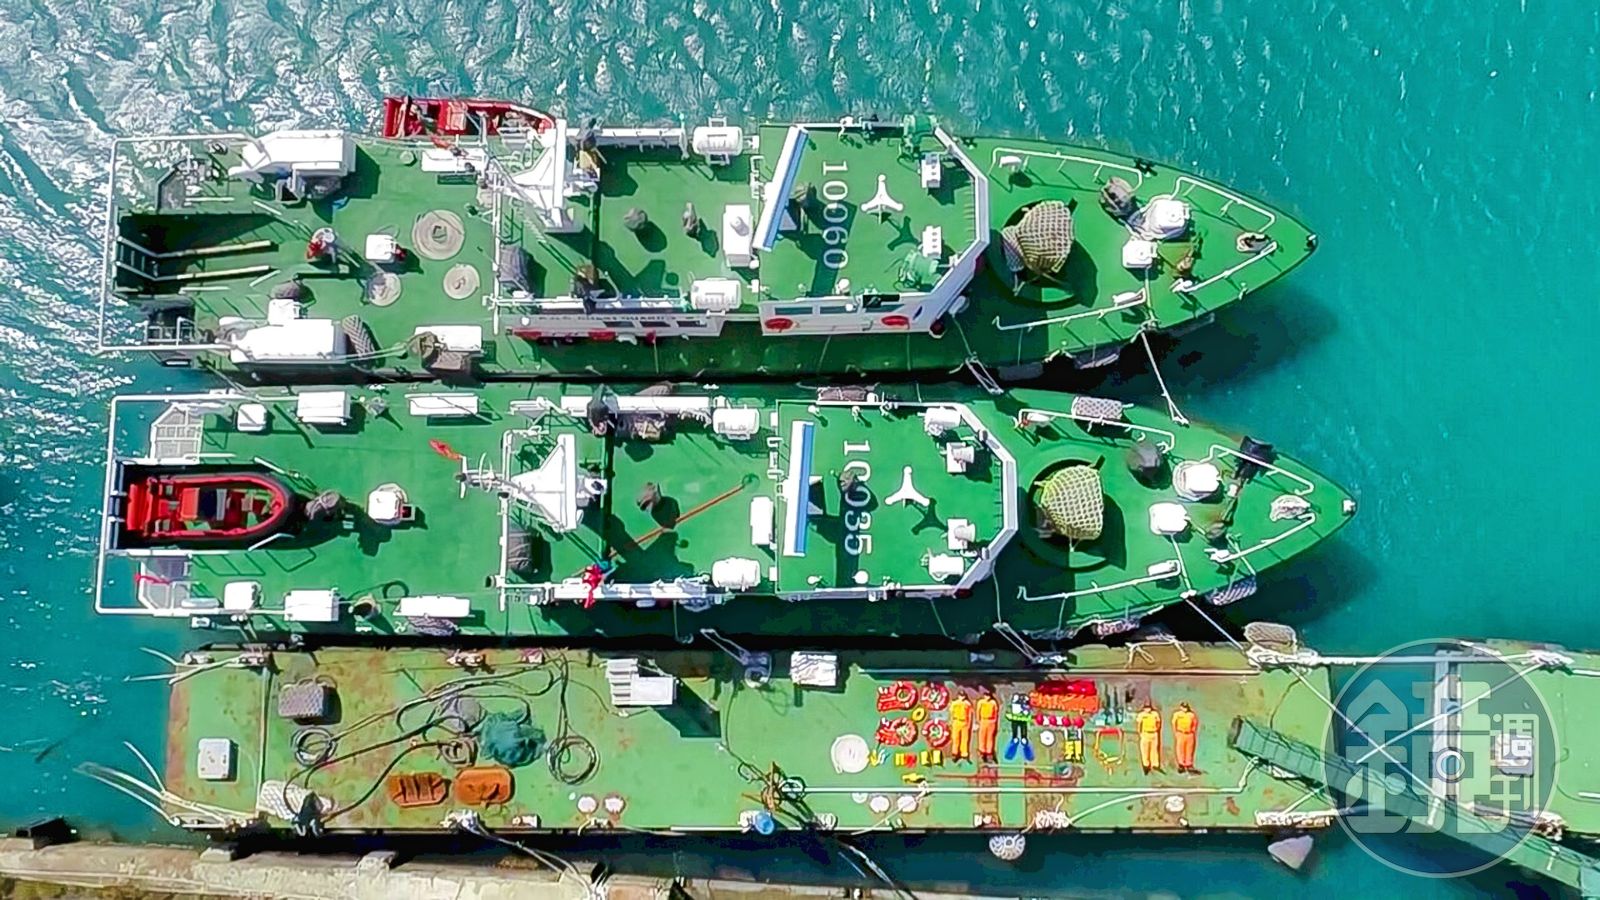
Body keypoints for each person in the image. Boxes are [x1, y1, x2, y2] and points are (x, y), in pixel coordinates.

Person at [1135, 702, 1162, 774]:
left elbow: (1158, 722)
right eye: (1146, 708)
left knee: (1154, 749)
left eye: (1149, 708)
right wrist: (1140, 733)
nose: (1148, 709)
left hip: (1154, 733)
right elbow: (1139, 724)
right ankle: (1146, 765)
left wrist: (1156, 729)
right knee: (1145, 750)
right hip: (1145, 733)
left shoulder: (1155, 714)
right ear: (1144, 708)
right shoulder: (1141, 715)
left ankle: (1155, 764)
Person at [1173, 702, 1199, 773]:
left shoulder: (1191, 715)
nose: (1185, 709)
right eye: (1183, 707)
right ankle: (1181, 764)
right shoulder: (1177, 714)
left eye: (1186, 707)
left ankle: (1189, 764)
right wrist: (1176, 732)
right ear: (1181, 707)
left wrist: (1192, 731)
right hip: (1181, 733)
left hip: (1189, 734)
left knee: (1189, 749)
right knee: (1180, 749)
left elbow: (1195, 723)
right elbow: (1174, 723)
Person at [976, 689, 1000, 763]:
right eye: (986, 695)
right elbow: (978, 711)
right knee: (982, 737)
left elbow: (996, 713)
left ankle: (989, 753)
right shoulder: (980, 702)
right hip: (983, 720)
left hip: (991, 721)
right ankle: (982, 753)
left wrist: (995, 722)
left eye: (988, 695)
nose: (987, 697)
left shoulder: (993, 703)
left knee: (990, 738)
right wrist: (978, 721)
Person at [949, 690, 974, 762]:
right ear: (958, 696)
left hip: (964, 722)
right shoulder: (954, 703)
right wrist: (951, 721)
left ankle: (964, 754)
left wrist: (969, 724)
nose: (961, 697)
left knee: (965, 739)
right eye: (960, 695)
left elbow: (970, 714)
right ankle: (955, 753)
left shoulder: (968, 704)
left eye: (963, 696)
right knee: (955, 738)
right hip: (956, 721)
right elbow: (951, 712)